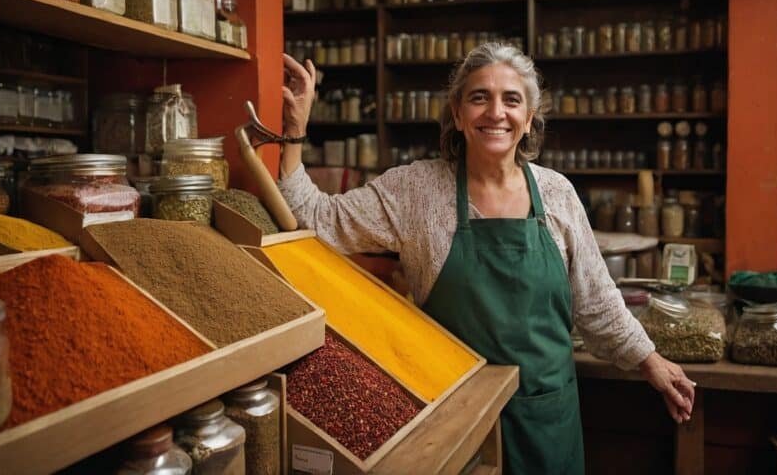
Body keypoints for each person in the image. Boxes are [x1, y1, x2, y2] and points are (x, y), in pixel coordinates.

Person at [278, 42, 694, 474]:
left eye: (511, 100)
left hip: (545, 419)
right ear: (458, 114)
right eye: (480, 98)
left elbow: (596, 302)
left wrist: (651, 361)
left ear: (529, 118)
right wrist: (295, 131)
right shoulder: (417, 191)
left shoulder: (556, 194)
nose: (496, 113)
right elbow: (314, 218)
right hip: (454, 422)